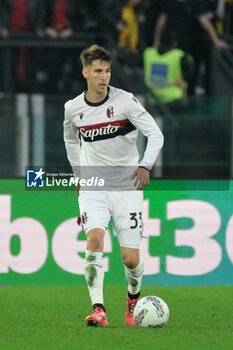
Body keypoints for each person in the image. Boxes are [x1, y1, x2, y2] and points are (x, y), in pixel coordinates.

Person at [63, 45, 164, 327]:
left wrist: (145, 165)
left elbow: (156, 134)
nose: (103, 76)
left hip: (126, 186)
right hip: (94, 186)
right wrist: (79, 175)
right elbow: (71, 140)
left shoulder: (126, 102)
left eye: (107, 71)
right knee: (94, 241)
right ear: (85, 73)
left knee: (130, 259)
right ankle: (99, 309)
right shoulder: (72, 109)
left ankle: (133, 302)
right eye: (98, 71)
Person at [144, 29, 194, 105]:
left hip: (152, 100)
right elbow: (190, 71)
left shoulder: (148, 53)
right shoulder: (179, 56)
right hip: (174, 100)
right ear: (174, 42)